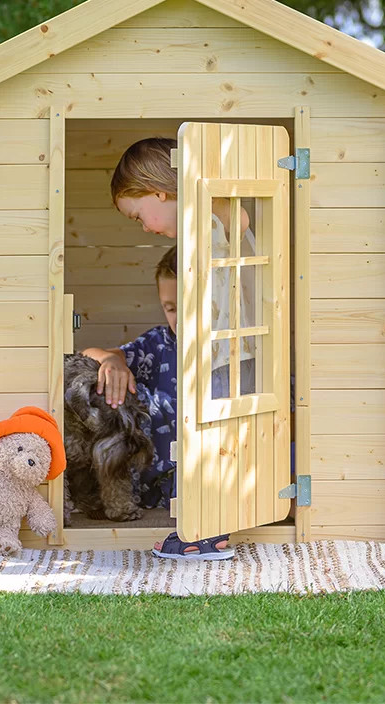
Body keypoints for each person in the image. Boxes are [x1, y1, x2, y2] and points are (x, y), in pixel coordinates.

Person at [89, 136, 256, 560]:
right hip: (220, 353)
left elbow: (238, 218)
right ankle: (204, 527)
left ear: (160, 191)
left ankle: (208, 532)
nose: (144, 227)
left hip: (227, 353)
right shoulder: (195, 238)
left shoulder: (214, 219)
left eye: (139, 214)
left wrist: (200, 187)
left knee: (218, 442)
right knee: (209, 443)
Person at [82, 246, 178, 514]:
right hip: (155, 490)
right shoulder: (158, 344)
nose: (179, 318)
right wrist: (111, 361)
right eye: (171, 309)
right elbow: (86, 355)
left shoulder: (230, 345)